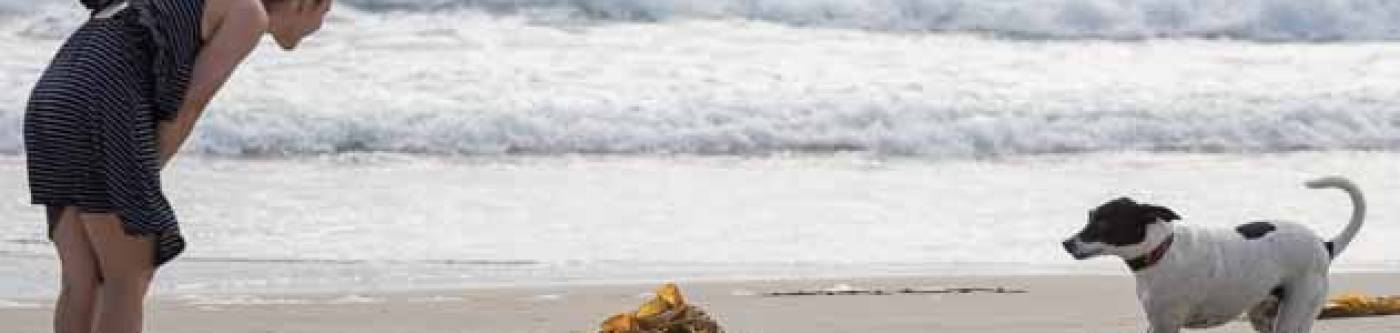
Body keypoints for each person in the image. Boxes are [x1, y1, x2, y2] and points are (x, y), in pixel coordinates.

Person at [22, 0, 332, 331]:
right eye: (325, 11)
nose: (323, 23)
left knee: (83, 278)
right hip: (103, 95)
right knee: (128, 274)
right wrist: (142, 179)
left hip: (53, 95)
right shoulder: (248, 11)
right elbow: (188, 106)